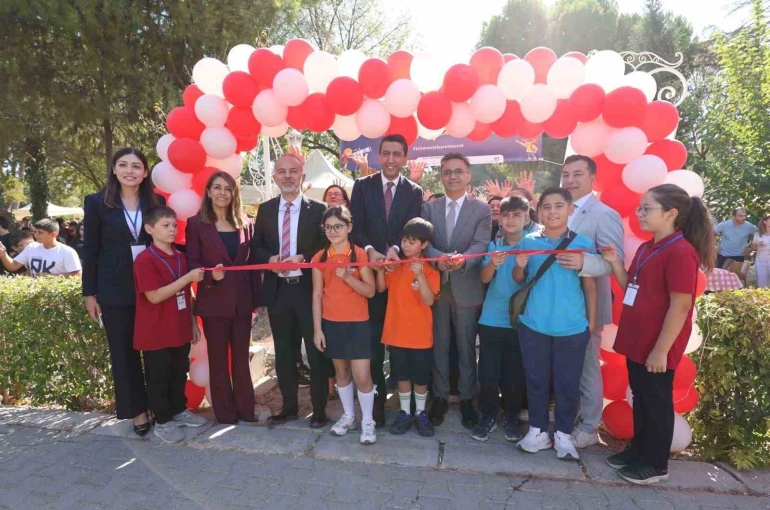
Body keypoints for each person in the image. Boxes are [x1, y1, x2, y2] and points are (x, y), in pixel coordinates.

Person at [601, 183, 715, 485]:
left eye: (647, 208)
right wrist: (614, 262)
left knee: (656, 401)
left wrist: (661, 350)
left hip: (657, 344)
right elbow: (630, 285)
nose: (640, 213)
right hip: (639, 338)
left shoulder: (680, 252)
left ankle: (655, 464)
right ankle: (639, 451)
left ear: (671, 213)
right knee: (641, 397)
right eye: (640, 207)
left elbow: (680, 306)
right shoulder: (647, 247)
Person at [82, 147, 164, 436]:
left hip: (153, 287)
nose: (130, 171)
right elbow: (90, 250)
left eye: (136, 166)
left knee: (156, 351)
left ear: (145, 172)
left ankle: (160, 405)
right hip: (114, 289)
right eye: (123, 165)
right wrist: (90, 293)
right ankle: (137, 411)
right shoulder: (96, 203)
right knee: (124, 352)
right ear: (114, 169)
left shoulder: (158, 201)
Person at [513, 187, 597, 461]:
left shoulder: (582, 242)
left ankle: (563, 433)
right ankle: (537, 430)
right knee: (535, 380)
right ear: (538, 211)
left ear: (570, 209)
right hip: (534, 324)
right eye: (546, 206)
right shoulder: (528, 241)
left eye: (559, 206)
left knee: (567, 384)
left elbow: (590, 287)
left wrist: (590, 324)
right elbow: (519, 279)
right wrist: (519, 265)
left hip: (572, 327)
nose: (552, 212)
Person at [250, 153, 330, 428]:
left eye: (293, 171)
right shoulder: (265, 210)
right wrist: (269, 259)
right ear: (274, 176)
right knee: (284, 353)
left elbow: (326, 246)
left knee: (316, 352)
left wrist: (304, 258)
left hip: (308, 291)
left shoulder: (319, 209)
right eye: (281, 171)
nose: (287, 176)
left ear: (302, 176)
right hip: (278, 291)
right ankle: (289, 407)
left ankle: (318, 410)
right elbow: (256, 246)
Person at [349, 134, 423, 427]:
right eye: (386, 153)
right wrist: (370, 250)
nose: (391, 159)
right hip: (370, 277)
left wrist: (395, 249)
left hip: (400, 276)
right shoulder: (362, 186)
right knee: (373, 343)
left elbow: (411, 229)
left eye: (397, 154)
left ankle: (412, 405)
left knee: (404, 342)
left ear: (405, 158)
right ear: (379, 156)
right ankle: (376, 404)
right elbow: (355, 226)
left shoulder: (414, 191)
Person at [557, 155, 625, 449]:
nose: (570, 180)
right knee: (563, 366)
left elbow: (614, 262)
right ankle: (567, 419)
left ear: (592, 178)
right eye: (566, 174)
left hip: (589, 304)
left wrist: (583, 262)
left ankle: (588, 427)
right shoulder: (557, 209)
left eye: (577, 174)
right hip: (555, 303)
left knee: (586, 365)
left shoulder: (603, 214)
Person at [421, 153, 492, 429]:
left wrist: (463, 260)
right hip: (437, 287)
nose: (452, 176)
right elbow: (424, 242)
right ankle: (439, 396)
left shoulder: (481, 210)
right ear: (441, 175)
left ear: (468, 175)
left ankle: (466, 399)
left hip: (467, 285)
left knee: (466, 347)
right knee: (439, 345)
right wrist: (438, 258)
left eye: (458, 171)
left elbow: (481, 244)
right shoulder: (429, 208)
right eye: (447, 171)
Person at [186, 171, 262, 424]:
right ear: (208, 192)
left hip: (242, 303)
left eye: (228, 188)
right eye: (217, 187)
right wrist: (210, 277)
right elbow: (192, 263)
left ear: (234, 193)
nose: (222, 193)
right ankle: (225, 414)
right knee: (218, 360)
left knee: (241, 358)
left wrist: (257, 303)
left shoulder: (245, 223)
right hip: (213, 303)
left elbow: (252, 266)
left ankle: (246, 410)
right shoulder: (196, 224)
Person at [133, 206, 208, 443]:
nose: (172, 229)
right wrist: (187, 278)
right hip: (156, 331)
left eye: (174, 225)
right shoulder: (145, 259)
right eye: (165, 225)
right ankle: (162, 421)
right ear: (149, 229)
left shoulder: (180, 256)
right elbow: (154, 296)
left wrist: (192, 322)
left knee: (178, 372)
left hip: (180, 326)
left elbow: (188, 293)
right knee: (159, 376)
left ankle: (178, 410)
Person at [311, 206, 377, 444]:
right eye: (328, 227)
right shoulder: (319, 258)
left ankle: (368, 420)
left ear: (349, 227)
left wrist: (348, 277)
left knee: (362, 375)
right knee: (341, 372)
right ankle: (349, 416)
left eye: (338, 226)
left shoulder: (359, 255)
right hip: (331, 323)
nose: (333, 231)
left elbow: (370, 291)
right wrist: (318, 329)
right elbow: (317, 294)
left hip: (358, 323)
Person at [473, 196, 534, 442]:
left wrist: (520, 264)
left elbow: (524, 279)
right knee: (488, 372)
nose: (510, 220)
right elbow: (484, 278)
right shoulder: (494, 245)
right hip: (491, 317)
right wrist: (493, 264)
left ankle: (511, 415)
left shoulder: (533, 244)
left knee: (514, 373)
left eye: (516, 215)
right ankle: (487, 414)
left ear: (526, 218)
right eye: (506, 215)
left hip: (521, 319)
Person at [376, 218, 440, 437]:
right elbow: (381, 288)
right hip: (396, 333)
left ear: (424, 244)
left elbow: (429, 300)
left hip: (420, 335)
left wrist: (420, 275)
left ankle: (420, 412)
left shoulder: (430, 270)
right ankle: (404, 412)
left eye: (412, 242)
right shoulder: (396, 266)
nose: (406, 245)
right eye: (404, 240)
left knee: (421, 377)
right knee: (402, 375)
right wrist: (381, 269)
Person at [0, 218, 81, 277]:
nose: (36, 235)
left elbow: (77, 275)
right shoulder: (31, 247)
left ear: (53, 234)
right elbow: (13, 266)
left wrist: (50, 277)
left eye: (40, 232)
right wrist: (3, 254)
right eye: (35, 232)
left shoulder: (67, 251)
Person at [751, 214, 770, 288]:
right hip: (761, 261)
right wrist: (756, 244)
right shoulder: (758, 234)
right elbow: (753, 248)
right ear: (764, 222)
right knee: (762, 285)